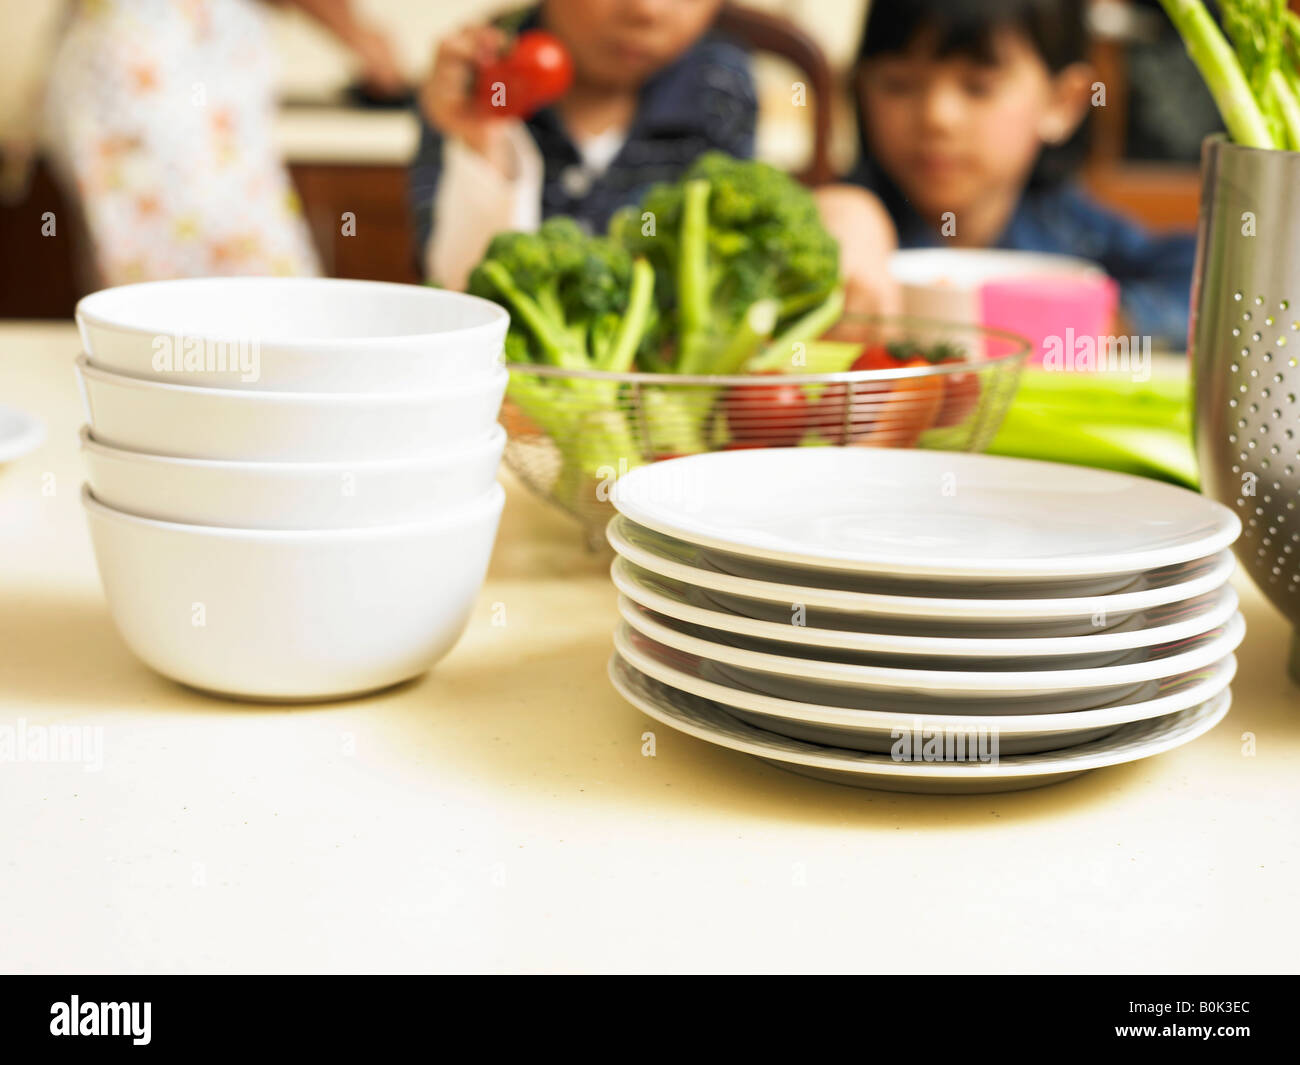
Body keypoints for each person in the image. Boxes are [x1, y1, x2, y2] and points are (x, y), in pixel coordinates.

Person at [824, 0, 1197, 345]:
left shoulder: (1071, 231)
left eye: (978, 88)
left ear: (1063, 102)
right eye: (898, 84)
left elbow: (1199, 280)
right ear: (858, 88)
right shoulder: (846, 224)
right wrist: (832, 220)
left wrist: (1105, 321)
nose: (937, 118)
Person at [42, 0, 403, 285]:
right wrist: (361, 39)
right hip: (160, 75)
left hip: (130, 70)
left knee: (161, 289)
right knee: (247, 296)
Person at [410, 0, 756, 291]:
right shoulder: (475, 77)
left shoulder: (720, 86)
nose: (647, 10)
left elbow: (723, 265)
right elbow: (462, 287)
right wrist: (482, 141)